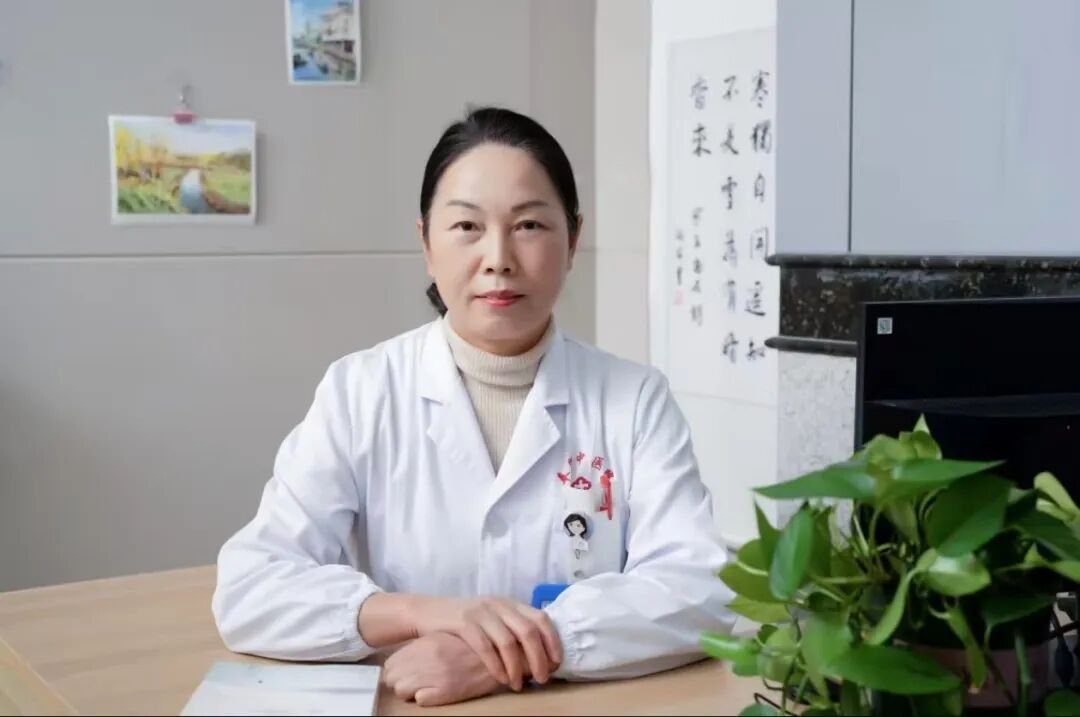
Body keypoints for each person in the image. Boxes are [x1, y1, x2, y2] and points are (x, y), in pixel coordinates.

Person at [212, 107, 735, 707]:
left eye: (529, 225)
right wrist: (421, 614)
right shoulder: (361, 390)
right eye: (467, 226)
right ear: (426, 243)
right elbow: (251, 588)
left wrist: (513, 652)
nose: (499, 258)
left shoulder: (635, 399)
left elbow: (698, 589)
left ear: (573, 240)